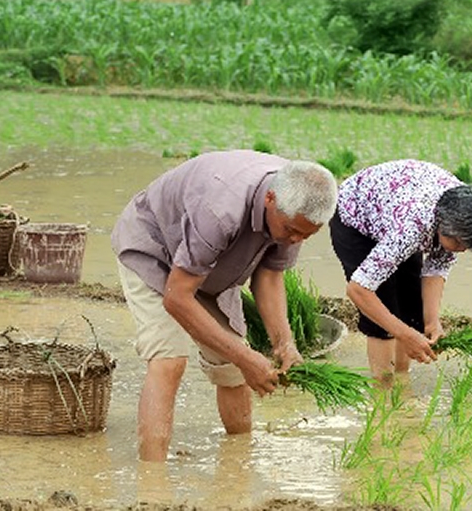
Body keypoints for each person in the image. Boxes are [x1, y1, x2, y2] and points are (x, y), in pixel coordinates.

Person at [111, 150, 337, 462]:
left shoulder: (296, 209)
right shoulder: (221, 209)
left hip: (212, 266)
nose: (295, 240)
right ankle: (153, 484)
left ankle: (238, 465)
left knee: (232, 369)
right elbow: (177, 298)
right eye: (290, 231)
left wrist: (284, 344)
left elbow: (269, 276)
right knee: (169, 358)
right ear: (269, 199)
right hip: (156, 250)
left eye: (306, 235)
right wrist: (246, 357)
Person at [329, 159, 472, 383]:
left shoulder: (465, 217)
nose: (462, 251)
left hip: (397, 208)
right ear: (444, 227)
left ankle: (402, 378)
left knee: (412, 307)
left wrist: (431, 322)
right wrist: (403, 333)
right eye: (460, 244)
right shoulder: (410, 229)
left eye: (468, 246)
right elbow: (358, 290)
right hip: (356, 216)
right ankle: (383, 390)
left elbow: (437, 268)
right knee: (383, 309)